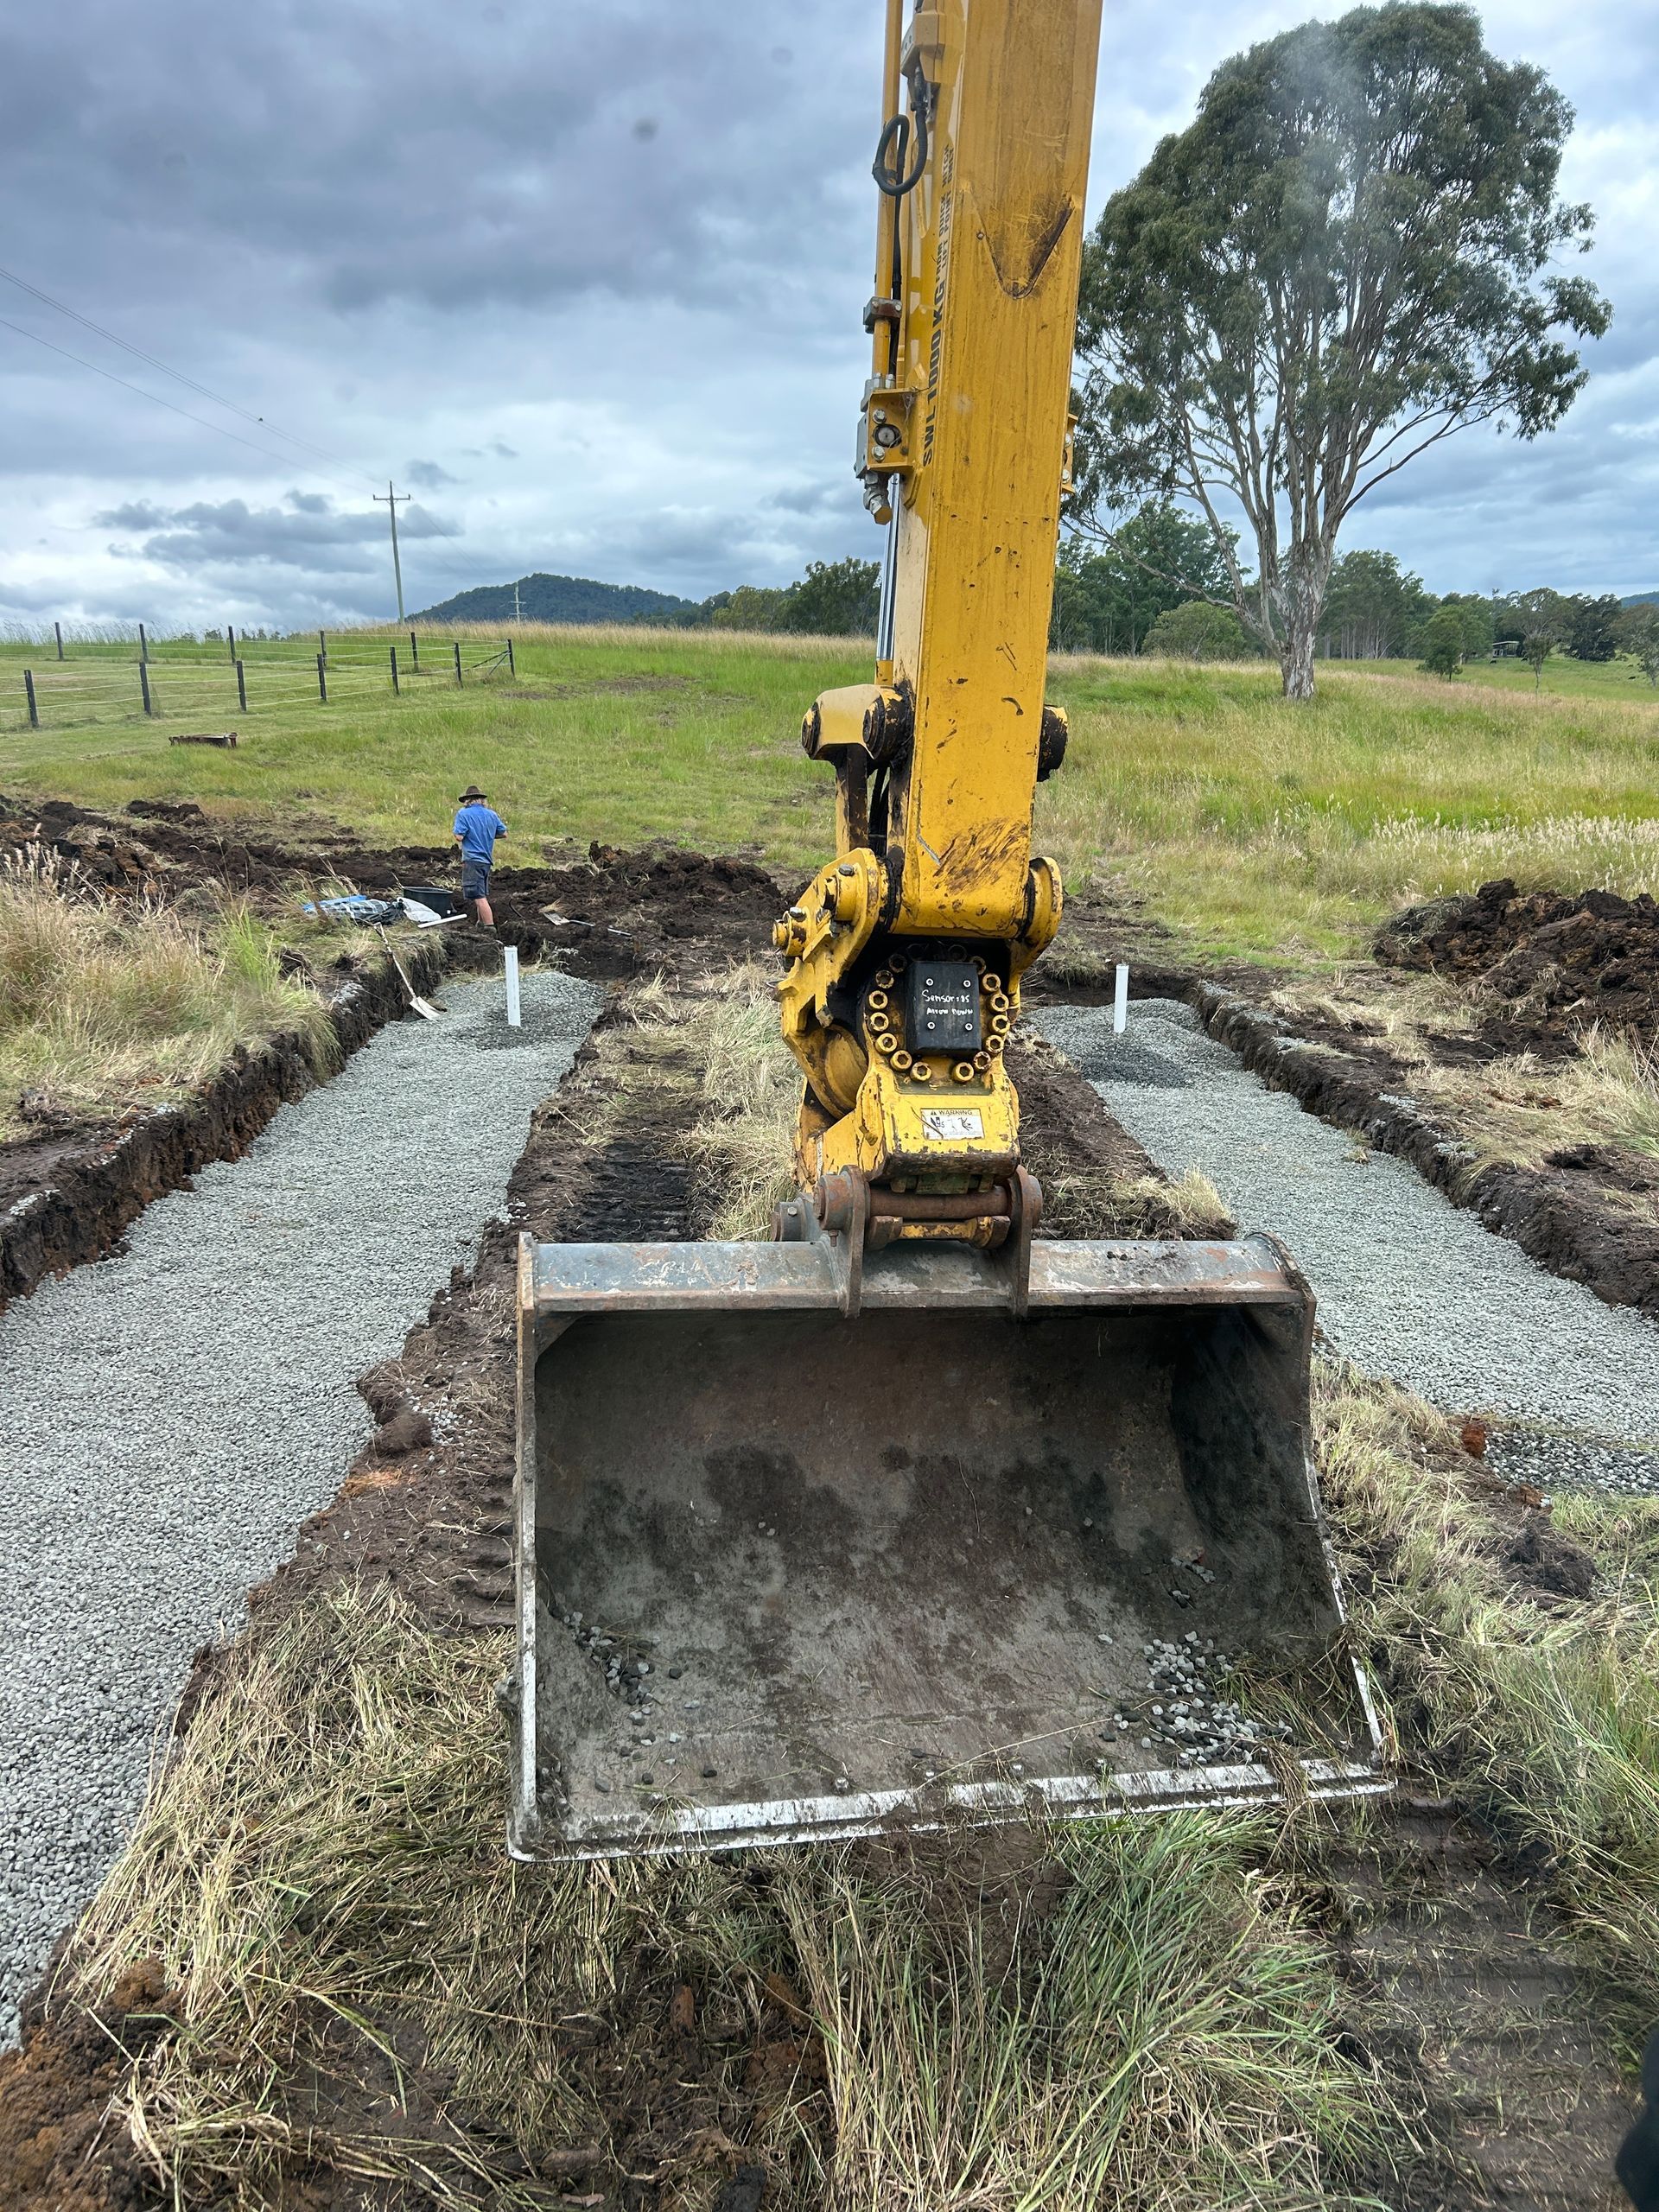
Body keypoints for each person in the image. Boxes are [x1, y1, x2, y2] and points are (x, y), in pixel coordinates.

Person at [452, 783, 507, 926]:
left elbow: (459, 837)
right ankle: (480, 923)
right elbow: (503, 833)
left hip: (472, 859)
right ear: (482, 800)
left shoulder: (463, 814)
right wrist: (486, 836)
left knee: (478, 897)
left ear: (467, 801)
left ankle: (489, 927)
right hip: (486, 861)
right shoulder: (492, 814)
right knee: (480, 893)